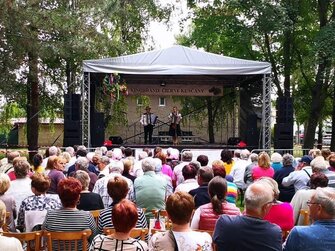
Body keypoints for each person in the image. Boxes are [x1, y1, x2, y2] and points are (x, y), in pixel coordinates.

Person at [213, 181, 282, 251]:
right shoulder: (274, 232)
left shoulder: (224, 223)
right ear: (265, 207)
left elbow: (215, 246)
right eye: (272, 202)